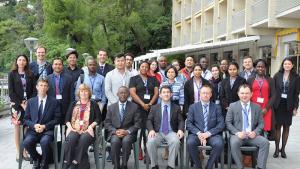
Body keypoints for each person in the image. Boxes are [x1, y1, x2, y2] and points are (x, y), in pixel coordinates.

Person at [226, 84, 269, 169]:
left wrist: (255, 132)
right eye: (242, 93)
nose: (244, 95)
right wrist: (237, 133)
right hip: (238, 136)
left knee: (265, 142)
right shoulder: (232, 106)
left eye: (247, 93)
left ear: (251, 94)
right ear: (238, 94)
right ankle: (240, 167)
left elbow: (261, 123)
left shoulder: (257, 107)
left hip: (252, 135)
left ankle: (260, 167)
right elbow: (228, 123)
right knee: (234, 143)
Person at [22, 78, 60, 169]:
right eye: (41, 85)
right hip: (33, 130)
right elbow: (26, 119)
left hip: (47, 130)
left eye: (45, 86)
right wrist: (34, 125)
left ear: (48, 88)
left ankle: (45, 162)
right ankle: (37, 158)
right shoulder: (30, 102)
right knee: (27, 142)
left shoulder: (54, 102)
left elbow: (57, 119)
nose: (43, 88)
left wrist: (45, 126)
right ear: (37, 87)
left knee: (45, 141)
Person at [62, 84, 101, 169]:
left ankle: (75, 161)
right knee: (71, 139)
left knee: (83, 139)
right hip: (74, 129)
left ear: (89, 93)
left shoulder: (94, 104)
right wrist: (70, 127)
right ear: (79, 93)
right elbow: (67, 119)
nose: (83, 93)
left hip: (87, 130)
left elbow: (98, 119)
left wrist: (91, 126)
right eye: (82, 91)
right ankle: (67, 161)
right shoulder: (73, 104)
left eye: (86, 91)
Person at [186, 85, 224, 169]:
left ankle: (209, 166)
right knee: (190, 142)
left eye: (207, 93)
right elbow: (188, 123)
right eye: (203, 93)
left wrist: (208, 133)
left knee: (219, 143)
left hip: (212, 135)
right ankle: (198, 166)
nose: (205, 95)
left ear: (211, 94)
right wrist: (199, 133)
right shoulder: (193, 107)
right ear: (200, 94)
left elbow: (221, 124)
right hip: (197, 134)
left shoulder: (217, 107)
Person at [146, 86, 184, 169]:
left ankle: (170, 166)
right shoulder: (154, 107)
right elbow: (149, 120)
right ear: (160, 95)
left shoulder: (176, 108)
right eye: (164, 92)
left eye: (168, 92)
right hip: (157, 132)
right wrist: (151, 130)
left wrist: (180, 130)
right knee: (150, 142)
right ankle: (154, 165)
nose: (166, 94)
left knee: (176, 141)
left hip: (171, 132)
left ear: (171, 94)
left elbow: (181, 120)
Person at [104, 86, 141, 169]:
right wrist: (115, 131)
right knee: (115, 141)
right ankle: (116, 165)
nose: (123, 95)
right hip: (115, 133)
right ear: (117, 94)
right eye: (121, 93)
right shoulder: (111, 107)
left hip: (129, 133)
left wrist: (127, 131)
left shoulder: (134, 107)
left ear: (128, 94)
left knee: (126, 141)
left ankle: (124, 164)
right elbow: (107, 123)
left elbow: (138, 123)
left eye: (125, 93)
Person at [105, 53, 133, 161]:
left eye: (122, 60)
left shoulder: (130, 75)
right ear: (114, 62)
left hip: (128, 107)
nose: (120, 62)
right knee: (114, 130)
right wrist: (118, 104)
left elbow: (131, 90)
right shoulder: (109, 74)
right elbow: (107, 91)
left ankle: (125, 151)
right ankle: (113, 152)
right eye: (118, 61)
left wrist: (126, 102)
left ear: (125, 62)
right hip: (113, 107)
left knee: (126, 129)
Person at [129, 61, 159, 160]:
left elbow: (156, 93)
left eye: (146, 67)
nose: (144, 68)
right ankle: (139, 151)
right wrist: (142, 104)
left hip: (151, 108)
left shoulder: (153, 79)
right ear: (139, 68)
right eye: (142, 66)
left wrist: (150, 104)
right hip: (137, 108)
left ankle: (148, 151)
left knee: (149, 129)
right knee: (139, 130)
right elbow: (132, 93)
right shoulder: (133, 79)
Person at [8, 54, 36, 162]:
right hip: (16, 106)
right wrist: (21, 103)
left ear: (26, 62)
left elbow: (34, 90)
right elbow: (11, 92)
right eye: (19, 59)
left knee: (26, 128)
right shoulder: (12, 74)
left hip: (28, 105)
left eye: (23, 60)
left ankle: (24, 151)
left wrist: (28, 102)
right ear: (16, 61)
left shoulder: (30, 74)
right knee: (17, 128)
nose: (21, 61)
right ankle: (18, 151)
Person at [272, 57, 299, 158]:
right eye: (285, 64)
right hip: (278, 104)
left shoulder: (296, 77)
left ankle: (283, 150)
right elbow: (273, 90)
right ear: (282, 65)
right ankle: (276, 150)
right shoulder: (277, 75)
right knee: (277, 127)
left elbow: (296, 93)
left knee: (286, 127)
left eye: (289, 64)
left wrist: (295, 107)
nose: (287, 65)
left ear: (292, 65)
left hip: (289, 105)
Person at [247, 59, 275, 135]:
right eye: (258, 66)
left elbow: (274, 95)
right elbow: (247, 94)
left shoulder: (270, 80)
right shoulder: (250, 80)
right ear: (255, 68)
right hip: (253, 108)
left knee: (265, 129)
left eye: (262, 67)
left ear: (265, 68)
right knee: (254, 128)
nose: (260, 68)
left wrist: (266, 108)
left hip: (266, 108)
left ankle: (264, 144)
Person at [47, 58, 73, 123]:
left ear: (62, 66)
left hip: (65, 107)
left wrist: (71, 107)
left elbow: (71, 94)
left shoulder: (69, 78)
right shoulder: (47, 78)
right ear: (52, 66)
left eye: (59, 64)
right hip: (51, 107)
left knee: (64, 126)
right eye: (55, 64)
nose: (57, 66)